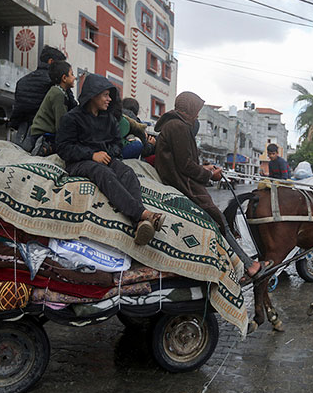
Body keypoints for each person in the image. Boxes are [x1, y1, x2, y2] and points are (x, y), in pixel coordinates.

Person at [154, 91, 267, 280]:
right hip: (184, 184)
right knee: (219, 220)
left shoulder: (173, 125)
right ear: (189, 109)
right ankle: (248, 265)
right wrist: (209, 174)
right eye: (196, 110)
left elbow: (183, 161)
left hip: (180, 178)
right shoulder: (178, 127)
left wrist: (204, 167)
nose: (197, 115)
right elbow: (185, 166)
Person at [56, 73, 164, 245]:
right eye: (105, 95)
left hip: (105, 159)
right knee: (104, 173)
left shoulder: (109, 119)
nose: (109, 99)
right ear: (93, 95)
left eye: (109, 96)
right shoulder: (72, 118)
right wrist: (92, 155)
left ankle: (140, 224)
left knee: (127, 172)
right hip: (79, 162)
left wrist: (108, 154)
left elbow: (116, 144)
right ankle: (143, 214)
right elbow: (63, 147)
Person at [10, 45, 77, 133]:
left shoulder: (22, 81)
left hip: (23, 132)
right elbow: (72, 108)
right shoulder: (57, 83)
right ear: (51, 61)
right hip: (46, 132)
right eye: (61, 64)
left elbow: (17, 110)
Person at [29, 61, 76, 155]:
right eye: (72, 74)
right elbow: (61, 122)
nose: (74, 77)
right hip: (43, 135)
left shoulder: (60, 92)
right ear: (64, 78)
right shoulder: (58, 94)